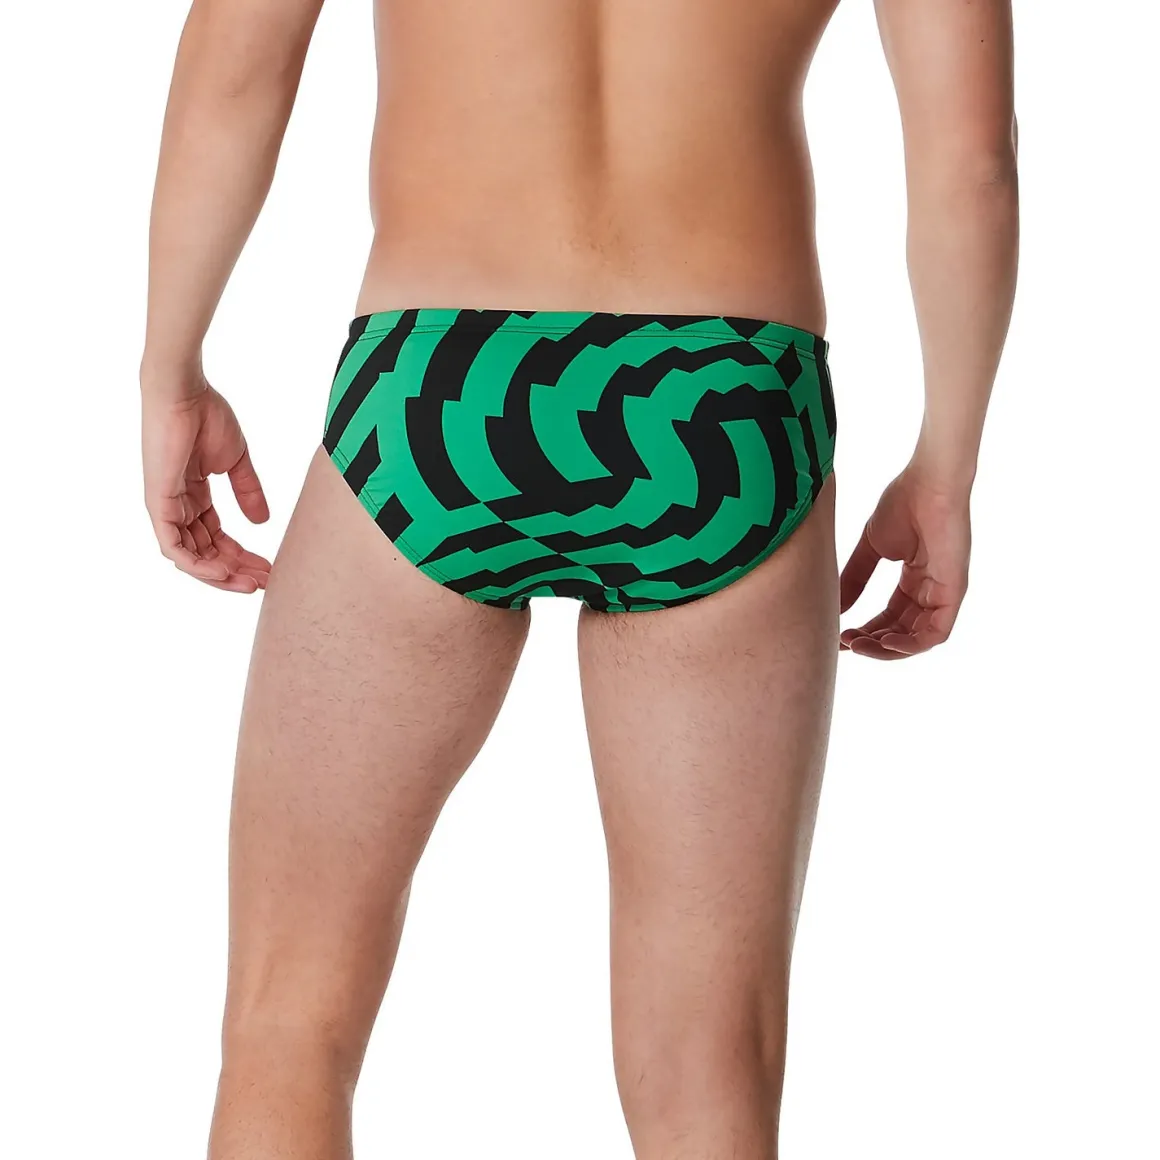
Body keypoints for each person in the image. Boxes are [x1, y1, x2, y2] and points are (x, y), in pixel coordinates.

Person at [139, 0, 1018, 1156]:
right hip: (720, 408)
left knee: (287, 1021)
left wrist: (171, 366)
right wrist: (945, 465)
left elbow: (235, 72)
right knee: (704, 1065)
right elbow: (969, 161)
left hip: (443, 386)